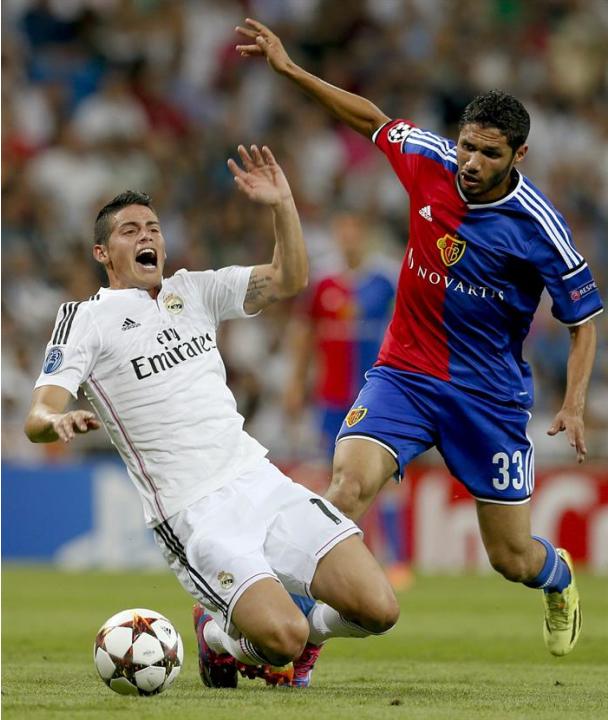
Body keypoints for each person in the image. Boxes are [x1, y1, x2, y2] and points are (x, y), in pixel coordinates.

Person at [236, 18, 603, 660]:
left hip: (486, 398)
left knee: (511, 557)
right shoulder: (430, 160)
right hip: (404, 373)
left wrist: (572, 403)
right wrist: (292, 70)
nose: (470, 162)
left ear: (519, 156)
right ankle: (297, 630)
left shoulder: (540, 227)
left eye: (489, 154)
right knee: (344, 489)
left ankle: (558, 576)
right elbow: (372, 120)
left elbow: (583, 324)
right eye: (467, 146)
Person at [24, 144, 399, 689]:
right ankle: (218, 638)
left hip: (261, 481)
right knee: (282, 640)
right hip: (193, 512)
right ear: (102, 253)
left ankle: (265, 633)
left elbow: (290, 279)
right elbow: (40, 409)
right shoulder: (84, 319)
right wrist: (51, 423)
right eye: (129, 231)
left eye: (152, 227)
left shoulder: (194, 290)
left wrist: (282, 205)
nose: (147, 236)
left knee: (379, 608)